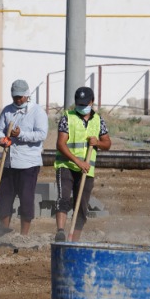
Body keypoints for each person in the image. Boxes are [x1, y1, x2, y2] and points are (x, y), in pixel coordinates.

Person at [54, 86, 111, 242]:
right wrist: (78, 161)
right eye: (79, 104)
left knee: (82, 206)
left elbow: (107, 143)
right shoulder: (68, 117)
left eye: (85, 104)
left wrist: (97, 142)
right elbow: (61, 144)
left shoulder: (99, 120)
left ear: (92, 102)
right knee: (63, 198)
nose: (81, 107)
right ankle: (60, 232)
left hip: (86, 170)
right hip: (66, 166)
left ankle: (74, 240)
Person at [0, 79, 49, 235]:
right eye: (15, 97)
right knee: (4, 198)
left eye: (20, 97)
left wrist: (21, 134)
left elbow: (41, 134)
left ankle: (24, 234)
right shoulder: (7, 111)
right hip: (9, 162)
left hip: (28, 164)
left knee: (26, 200)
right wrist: (0, 139)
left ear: (27, 95)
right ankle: (4, 231)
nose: (17, 100)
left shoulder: (37, 112)